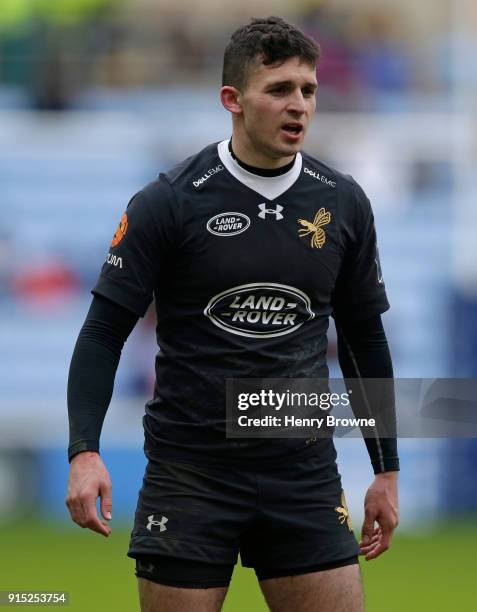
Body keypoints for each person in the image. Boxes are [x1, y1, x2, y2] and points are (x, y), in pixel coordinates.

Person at [66, 16, 399, 612]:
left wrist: (387, 468)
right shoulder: (168, 202)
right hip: (192, 473)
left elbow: (363, 341)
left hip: (302, 473)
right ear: (233, 100)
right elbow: (102, 333)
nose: (298, 105)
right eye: (279, 90)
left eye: (308, 90)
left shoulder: (343, 203)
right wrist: (84, 451)